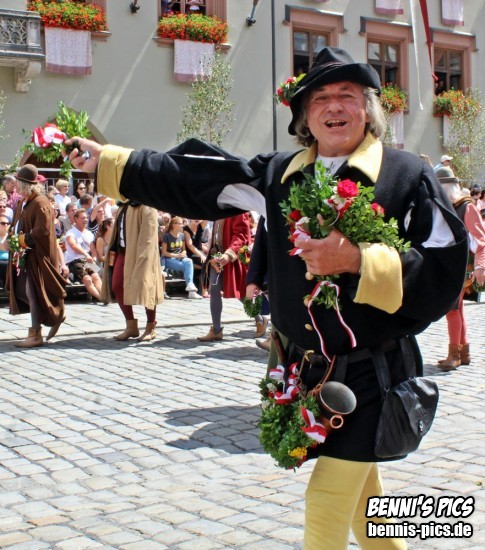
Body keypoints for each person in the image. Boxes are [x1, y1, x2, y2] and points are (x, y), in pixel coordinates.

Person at [67, 46, 468, 550]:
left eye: (347, 94)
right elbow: (192, 177)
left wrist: (360, 260)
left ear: (367, 109)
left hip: (376, 371)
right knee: (366, 510)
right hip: (308, 371)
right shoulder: (279, 174)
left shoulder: (406, 174)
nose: (334, 106)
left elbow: (447, 262)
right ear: (305, 117)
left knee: (327, 503)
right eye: (320, 98)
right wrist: (110, 159)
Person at [4, 165, 66, 347]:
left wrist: (19, 241)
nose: (15, 187)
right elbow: (16, 224)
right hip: (23, 255)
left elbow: (42, 231)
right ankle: (54, 313)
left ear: (26, 185)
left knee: (32, 292)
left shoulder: (41, 202)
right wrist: (10, 238)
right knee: (20, 290)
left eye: (18, 183)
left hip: (36, 256)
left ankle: (35, 334)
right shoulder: (23, 202)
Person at [435, 167, 485, 369]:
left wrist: (480, 266)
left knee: (452, 309)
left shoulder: (466, 207)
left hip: (462, 266)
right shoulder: (448, 206)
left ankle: (454, 355)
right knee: (458, 308)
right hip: (451, 265)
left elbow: (481, 240)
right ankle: (464, 352)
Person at [102, 202, 165, 342]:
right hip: (122, 252)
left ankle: (150, 326)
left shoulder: (147, 205)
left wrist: (143, 259)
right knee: (117, 286)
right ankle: (131, 326)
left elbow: (149, 238)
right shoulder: (122, 206)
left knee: (147, 288)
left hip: (141, 255)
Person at [197, 214, 252, 342]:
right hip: (215, 256)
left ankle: (259, 319)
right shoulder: (218, 210)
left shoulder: (238, 210)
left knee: (239, 292)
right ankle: (216, 330)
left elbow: (241, 235)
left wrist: (229, 254)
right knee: (214, 290)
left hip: (232, 257)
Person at [64, 209, 102, 301]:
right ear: (76, 219)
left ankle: (103, 296)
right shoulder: (70, 233)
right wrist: (86, 255)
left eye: (86, 218)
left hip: (88, 260)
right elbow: (73, 245)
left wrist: (94, 258)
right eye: (82, 218)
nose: (85, 220)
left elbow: (93, 249)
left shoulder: (89, 234)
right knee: (87, 279)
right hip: (75, 260)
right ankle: (101, 298)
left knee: (96, 276)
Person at [161, 216, 202, 299]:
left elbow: (184, 250)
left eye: (182, 223)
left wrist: (183, 254)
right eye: (180, 224)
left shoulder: (182, 236)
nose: (182, 225)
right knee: (187, 265)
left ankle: (190, 287)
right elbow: (164, 252)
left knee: (189, 261)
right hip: (168, 259)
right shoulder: (167, 236)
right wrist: (177, 255)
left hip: (179, 258)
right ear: (174, 225)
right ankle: (191, 291)